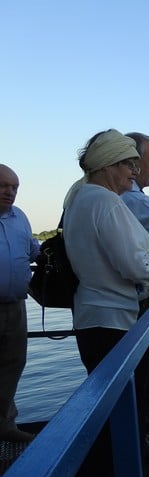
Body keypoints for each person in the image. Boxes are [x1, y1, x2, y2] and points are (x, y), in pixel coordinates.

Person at [59, 129, 149, 477]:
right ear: (111, 165)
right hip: (112, 324)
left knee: (119, 415)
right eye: (131, 165)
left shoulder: (78, 198)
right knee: (116, 419)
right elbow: (137, 267)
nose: (135, 174)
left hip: (98, 320)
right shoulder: (105, 203)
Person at [0, 164, 40, 443]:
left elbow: (34, 251)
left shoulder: (20, 218)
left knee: (13, 364)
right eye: (4, 185)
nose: (10, 192)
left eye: (14, 187)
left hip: (15, 306)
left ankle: (5, 425)